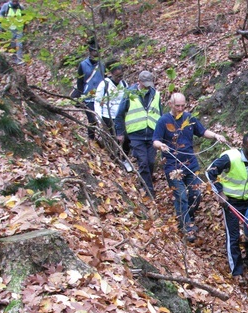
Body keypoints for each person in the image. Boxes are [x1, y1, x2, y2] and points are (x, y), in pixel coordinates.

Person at [153, 93, 225, 242]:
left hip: (190, 164)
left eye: (182, 106)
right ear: (170, 104)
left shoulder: (189, 118)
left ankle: (188, 216)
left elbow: (202, 131)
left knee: (197, 193)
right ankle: (186, 227)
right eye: (177, 105)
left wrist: (216, 136)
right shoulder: (163, 120)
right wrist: (161, 146)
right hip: (172, 166)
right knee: (181, 196)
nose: (180, 108)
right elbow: (155, 140)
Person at [207, 133, 248, 279]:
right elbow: (209, 172)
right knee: (234, 235)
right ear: (243, 146)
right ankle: (236, 270)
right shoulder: (230, 158)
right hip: (230, 201)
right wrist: (220, 193)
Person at [114, 70, 162, 199]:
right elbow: (119, 114)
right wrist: (119, 132)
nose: (147, 86)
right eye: (144, 83)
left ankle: (145, 183)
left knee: (151, 162)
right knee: (143, 162)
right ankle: (148, 192)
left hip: (152, 135)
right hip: (135, 135)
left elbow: (160, 115)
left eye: (149, 84)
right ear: (139, 82)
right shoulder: (129, 93)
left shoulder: (156, 94)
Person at [94, 61, 132, 172]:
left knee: (126, 138)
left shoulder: (124, 85)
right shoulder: (104, 84)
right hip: (107, 116)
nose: (119, 78)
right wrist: (98, 117)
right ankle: (113, 159)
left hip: (120, 117)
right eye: (117, 76)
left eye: (121, 76)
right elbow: (97, 101)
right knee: (112, 138)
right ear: (111, 74)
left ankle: (124, 158)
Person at [73, 41, 105, 140]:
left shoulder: (102, 65)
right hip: (88, 97)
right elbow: (80, 82)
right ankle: (91, 139)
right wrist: (79, 97)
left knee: (102, 120)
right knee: (92, 120)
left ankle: (104, 140)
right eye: (94, 51)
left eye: (97, 51)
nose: (96, 54)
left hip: (100, 97)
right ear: (90, 52)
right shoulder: (82, 65)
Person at [0, 0, 24, 64]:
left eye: (16, 1)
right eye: (13, 1)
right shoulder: (6, 6)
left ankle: (19, 59)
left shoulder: (21, 7)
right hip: (10, 29)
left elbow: (24, 15)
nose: (15, 2)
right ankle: (13, 59)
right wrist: (3, 21)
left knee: (19, 44)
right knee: (12, 45)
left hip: (19, 29)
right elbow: (0, 14)